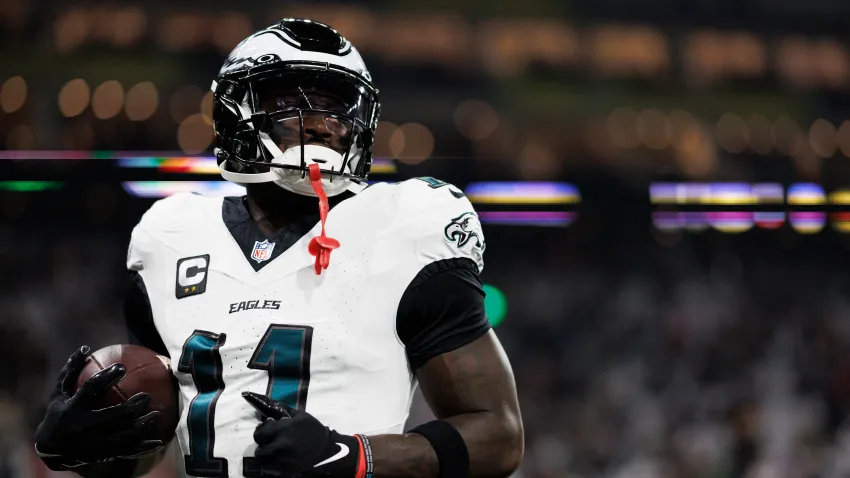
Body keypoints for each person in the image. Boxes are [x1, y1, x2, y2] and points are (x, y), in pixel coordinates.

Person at [34, 18, 524, 478]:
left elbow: (499, 434)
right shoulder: (169, 237)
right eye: (295, 101)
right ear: (235, 113)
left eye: (336, 106)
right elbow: (156, 445)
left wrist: (353, 456)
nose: (322, 124)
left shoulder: (402, 225)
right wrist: (84, 443)